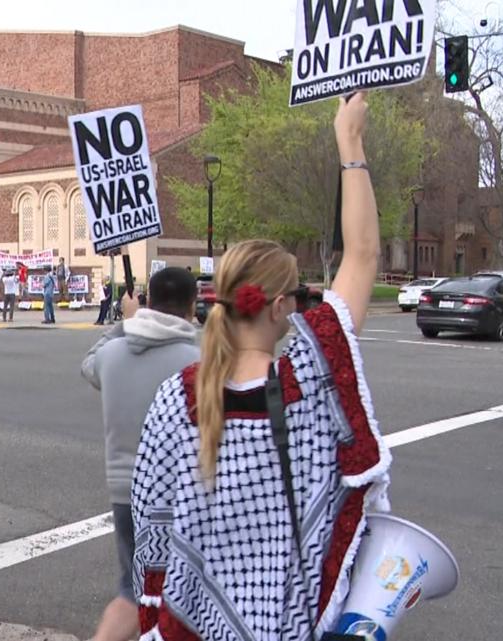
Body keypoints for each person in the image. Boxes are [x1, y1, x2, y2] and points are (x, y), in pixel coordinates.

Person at [131, 94, 390, 640]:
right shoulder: (313, 379)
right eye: (297, 295)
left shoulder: (177, 398)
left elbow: (151, 527)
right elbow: (362, 255)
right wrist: (350, 141)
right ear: (279, 307)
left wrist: (155, 612)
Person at [81, 267, 200, 641]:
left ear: (148, 300)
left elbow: (89, 364)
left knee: (134, 587)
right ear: (191, 305)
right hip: (179, 495)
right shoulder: (197, 359)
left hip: (123, 493)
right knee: (176, 591)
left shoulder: (113, 353)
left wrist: (124, 323)